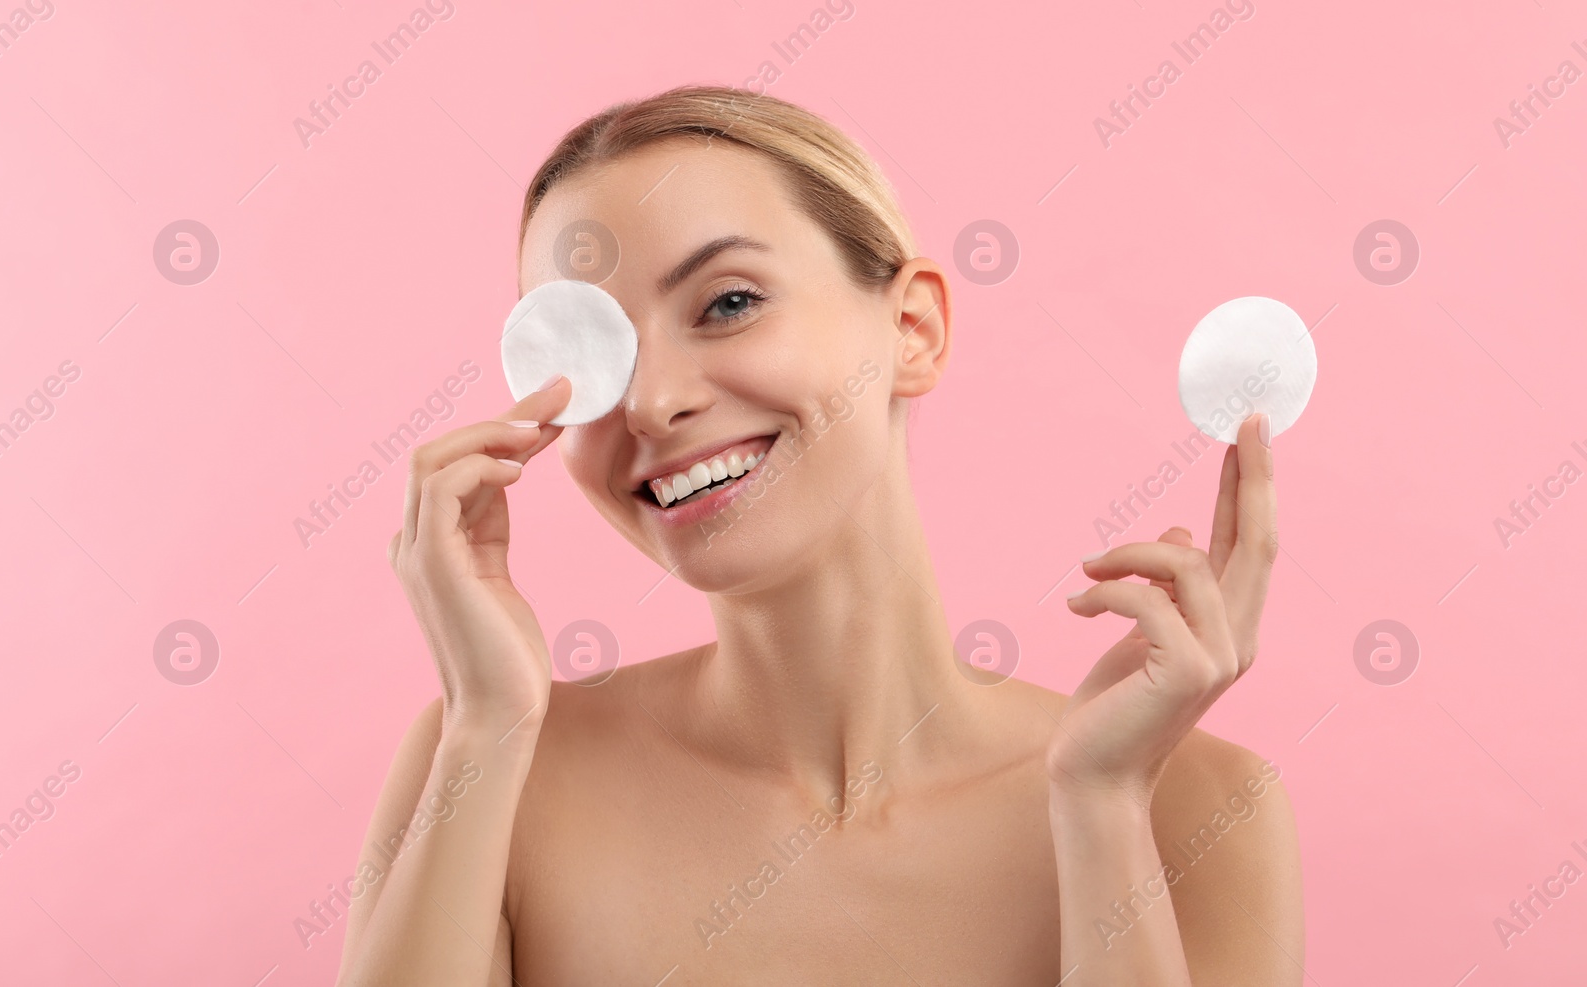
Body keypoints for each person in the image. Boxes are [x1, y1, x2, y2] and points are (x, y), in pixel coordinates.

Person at [334, 84, 1303, 985]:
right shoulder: (491, 763)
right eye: (589, 350)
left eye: (728, 303)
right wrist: (487, 726)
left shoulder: (1197, 808)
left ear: (913, 328)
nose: (654, 400)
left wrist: (1100, 810)